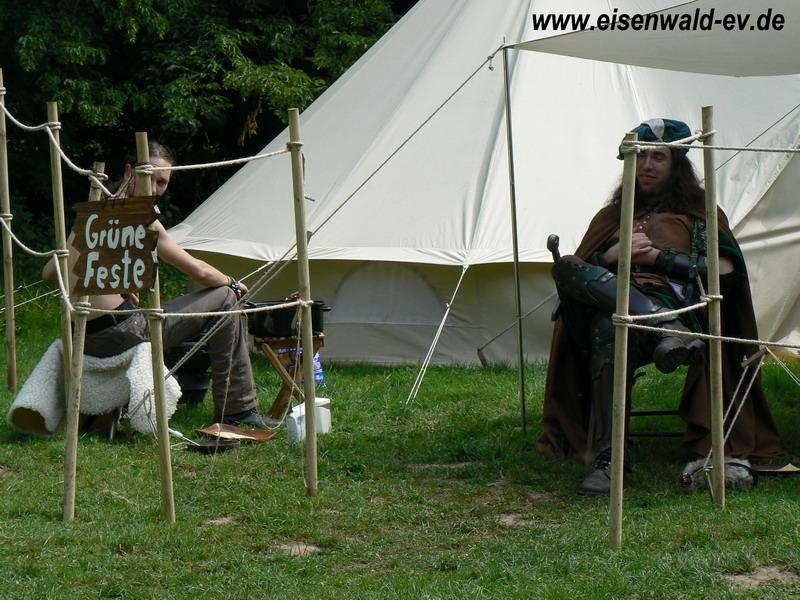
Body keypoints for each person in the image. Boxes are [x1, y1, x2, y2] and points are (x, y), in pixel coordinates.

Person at [537, 119, 782, 495]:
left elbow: (727, 274)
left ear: (676, 164)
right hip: (625, 314)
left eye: (658, 157)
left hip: (681, 310)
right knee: (571, 271)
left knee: (610, 325)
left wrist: (657, 258)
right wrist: (611, 256)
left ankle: (665, 323)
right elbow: (581, 274)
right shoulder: (611, 218)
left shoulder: (698, 215)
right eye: (641, 158)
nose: (648, 165)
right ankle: (610, 457)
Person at [42, 141, 276, 428]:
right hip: (122, 333)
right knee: (225, 298)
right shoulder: (137, 214)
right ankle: (238, 409)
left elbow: (51, 272)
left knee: (184, 310)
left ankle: (191, 390)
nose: (155, 188)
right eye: (150, 177)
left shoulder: (97, 208)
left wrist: (113, 282)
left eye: (162, 182)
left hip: (85, 335)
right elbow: (199, 272)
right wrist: (234, 282)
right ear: (130, 171)